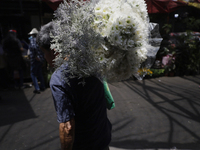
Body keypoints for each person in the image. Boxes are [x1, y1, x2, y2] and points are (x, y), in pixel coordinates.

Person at [37, 22, 112, 150]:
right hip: (103, 138)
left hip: (84, 145)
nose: (44, 57)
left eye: (44, 52)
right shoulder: (91, 61)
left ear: (54, 51)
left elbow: (67, 127)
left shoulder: (59, 78)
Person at [28, 28, 46, 94]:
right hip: (40, 59)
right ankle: (43, 86)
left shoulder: (32, 40)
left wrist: (35, 56)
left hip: (35, 59)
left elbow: (33, 48)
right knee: (40, 73)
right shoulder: (40, 40)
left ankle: (37, 88)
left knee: (33, 74)